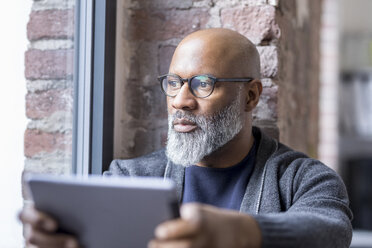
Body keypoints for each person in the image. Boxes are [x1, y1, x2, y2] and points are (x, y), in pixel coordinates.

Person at [19, 28, 352, 248]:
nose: (180, 100)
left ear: (251, 96)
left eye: (203, 84)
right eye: (174, 82)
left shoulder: (302, 179)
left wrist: (239, 232)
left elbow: (332, 231)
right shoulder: (131, 178)